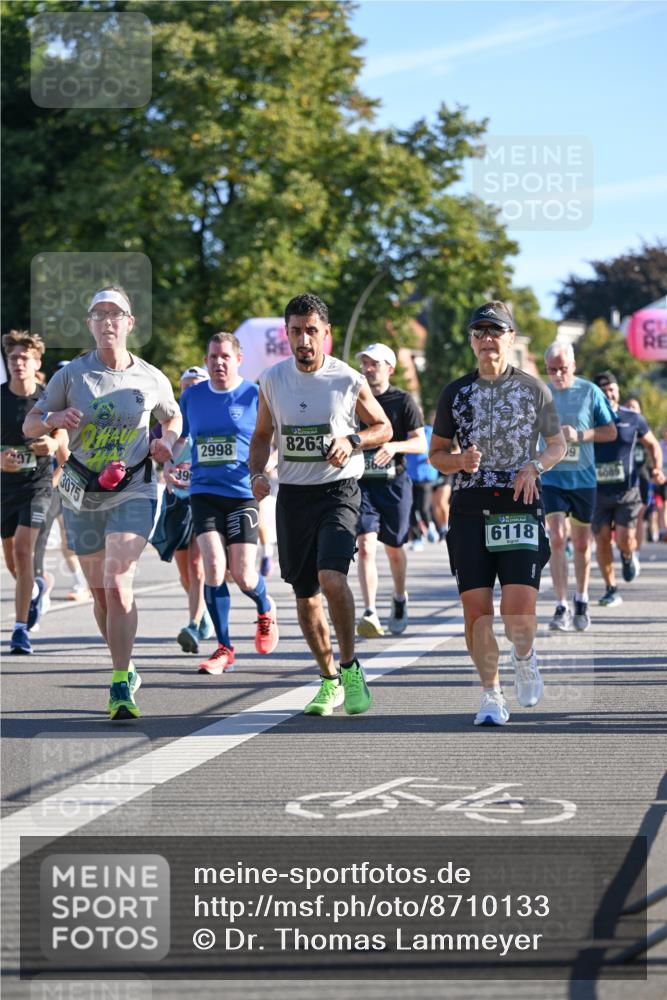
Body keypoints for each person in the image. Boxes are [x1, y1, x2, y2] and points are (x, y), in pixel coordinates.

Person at [23, 286, 181, 720]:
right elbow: (30, 421)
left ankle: (117, 687)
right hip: (81, 490)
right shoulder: (71, 375)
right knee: (99, 593)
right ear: (90, 323)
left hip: (135, 485)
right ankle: (126, 666)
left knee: (117, 578)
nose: (107, 321)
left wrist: (166, 441)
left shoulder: (150, 376)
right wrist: (53, 419)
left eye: (116, 314)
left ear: (130, 323)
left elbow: (173, 415)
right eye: (99, 314)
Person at [249, 293, 391, 717]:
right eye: (296, 331)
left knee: (331, 576)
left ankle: (350, 668)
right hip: (293, 494)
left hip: (338, 491)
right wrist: (258, 473)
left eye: (312, 331)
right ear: (287, 334)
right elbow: (261, 436)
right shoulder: (272, 379)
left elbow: (382, 426)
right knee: (305, 593)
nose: (304, 340)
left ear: (325, 334)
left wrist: (352, 441)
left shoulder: (347, 379)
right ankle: (328, 679)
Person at [429, 301, 565, 727]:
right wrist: (459, 462)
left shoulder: (533, 389)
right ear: (471, 341)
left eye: (496, 330)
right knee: (477, 612)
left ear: (510, 337)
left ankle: (524, 656)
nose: (487, 338)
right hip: (469, 507)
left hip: (518, 504)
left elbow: (557, 444)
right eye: (479, 331)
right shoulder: (455, 392)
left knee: (519, 612)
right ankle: (491, 694)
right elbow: (436, 455)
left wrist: (535, 465)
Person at [163, 333, 279, 675]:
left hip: (243, 493)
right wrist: (170, 460)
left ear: (238, 359)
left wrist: (265, 468)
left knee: (242, 575)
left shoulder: (254, 395)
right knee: (213, 567)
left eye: (225, 356)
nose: (218, 363)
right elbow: (182, 437)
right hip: (203, 492)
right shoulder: (193, 396)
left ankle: (264, 604)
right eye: (213, 356)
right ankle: (224, 648)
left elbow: (274, 440)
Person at [540, 341, 617, 632]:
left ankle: (581, 598)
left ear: (573, 366)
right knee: (557, 538)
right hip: (552, 477)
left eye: (563, 369)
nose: (558, 374)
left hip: (583, 478)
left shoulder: (590, 391)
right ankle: (562, 606)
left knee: (582, 543)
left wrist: (580, 435)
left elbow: (610, 431)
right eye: (552, 369)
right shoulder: (541, 394)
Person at [353, 343, 425, 637]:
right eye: (365, 364)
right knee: (366, 545)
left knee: (394, 548)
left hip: (394, 482)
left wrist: (394, 445)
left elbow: (421, 443)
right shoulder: (352, 399)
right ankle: (369, 611)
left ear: (390, 369)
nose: (368, 369)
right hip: (362, 484)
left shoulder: (403, 400)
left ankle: (398, 597)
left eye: (375, 364)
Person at [1, 331, 66, 653]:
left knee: (25, 551)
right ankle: (37, 588)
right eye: (13, 358)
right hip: (5, 490)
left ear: (37, 362)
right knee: (13, 559)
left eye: (24, 358)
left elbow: (65, 451)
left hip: (38, 488)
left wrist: (53, 443)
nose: (18, 363)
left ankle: (19, 629)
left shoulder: (48, 401)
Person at [151, 365, 214, 653]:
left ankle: (194, 622)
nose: (190, 390)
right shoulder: (169, 421)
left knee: (197, 568)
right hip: (176, 501)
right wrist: (166, 469)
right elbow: (155, 451)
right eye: (186, 386)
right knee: (185, 573)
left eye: (196, 384)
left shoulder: (211, 418)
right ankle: (202, 611)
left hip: (202, 500)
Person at [591, 372, 665, 605]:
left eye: (612, 388)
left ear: (618, 391)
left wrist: (657, 468)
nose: (608, 393)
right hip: (597, 491)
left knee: (624, 539)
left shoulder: (633, 418)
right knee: (602, 540)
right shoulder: (587, 419)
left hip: (627, 490)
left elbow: (653, 444)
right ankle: (611, 588)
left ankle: (627, 554)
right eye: (603, 390)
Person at [406, 422, 439, 551]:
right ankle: (416, 538)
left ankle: (430, 526)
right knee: (411, 509)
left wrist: (433, 456)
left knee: (424, 507)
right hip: (409, 476)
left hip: (426, 476)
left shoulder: (429, 431)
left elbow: (441, 447)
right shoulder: (406, 433)